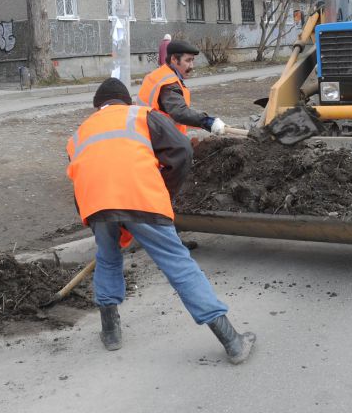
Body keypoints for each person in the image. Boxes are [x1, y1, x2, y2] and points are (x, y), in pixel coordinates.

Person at [66, 78, 256, 364]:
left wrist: (95, 217)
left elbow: (81, 176)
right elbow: (182, 149)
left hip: (96, 205)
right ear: (125, 101)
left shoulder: (79, 133)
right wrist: (164, 191)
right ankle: (233, 342)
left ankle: (111, 334)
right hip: (141, 198)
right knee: (178, 264)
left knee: (107, 259)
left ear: (97, 107)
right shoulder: (141, 115)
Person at [138, 40, 226, 140]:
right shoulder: (168, 84)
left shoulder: (160, 75)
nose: (192, 66)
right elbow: (180, 113)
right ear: (174, 59)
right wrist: (209, 122)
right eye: (188, 60)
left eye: (192, 60)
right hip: (161, 141)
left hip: (150, 134)